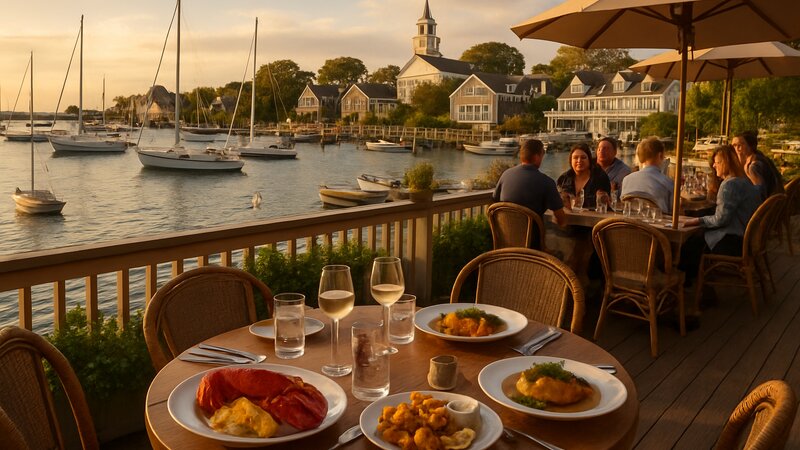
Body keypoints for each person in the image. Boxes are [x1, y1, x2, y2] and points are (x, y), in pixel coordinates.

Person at [682, 146, 761, 277]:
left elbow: (721, 219)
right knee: (696, 239)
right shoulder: (745, 181)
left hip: (733, 243)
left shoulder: (730, 185)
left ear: (727, 163)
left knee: (691, 244)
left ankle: (689, 283)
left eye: (717, 162)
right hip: (746, 240)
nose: (713, 165)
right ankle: (695, 281)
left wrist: (698, 220)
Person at [493, 138, 566, 227]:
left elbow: (494, 201)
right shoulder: (546, 182)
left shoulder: (506, 174)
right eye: (542, 154)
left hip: (504, 235)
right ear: (536, 157)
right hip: (531, 237)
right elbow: (561, 219)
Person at [620, 137, 674, 213]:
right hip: (657, 223)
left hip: (630, 223)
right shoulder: (668, 183)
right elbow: (673, 212)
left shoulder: (626, 180)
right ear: (660, 156)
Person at [731, 131, 783, 200]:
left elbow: (760, 194)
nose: (736, 149)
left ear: (751, 146)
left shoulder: (754, 167)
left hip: (770, 207)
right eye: (734, 146)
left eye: (740, 145)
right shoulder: (761, 157)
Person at [557, 143, 611, 209]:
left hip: (594, 217)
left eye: (583, 157)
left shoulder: (600, 177)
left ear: (589, 160)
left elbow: (605, 203)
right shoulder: (563, 178)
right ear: (571, 161)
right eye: (575, 158)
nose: (579, 161)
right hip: (568, 216)